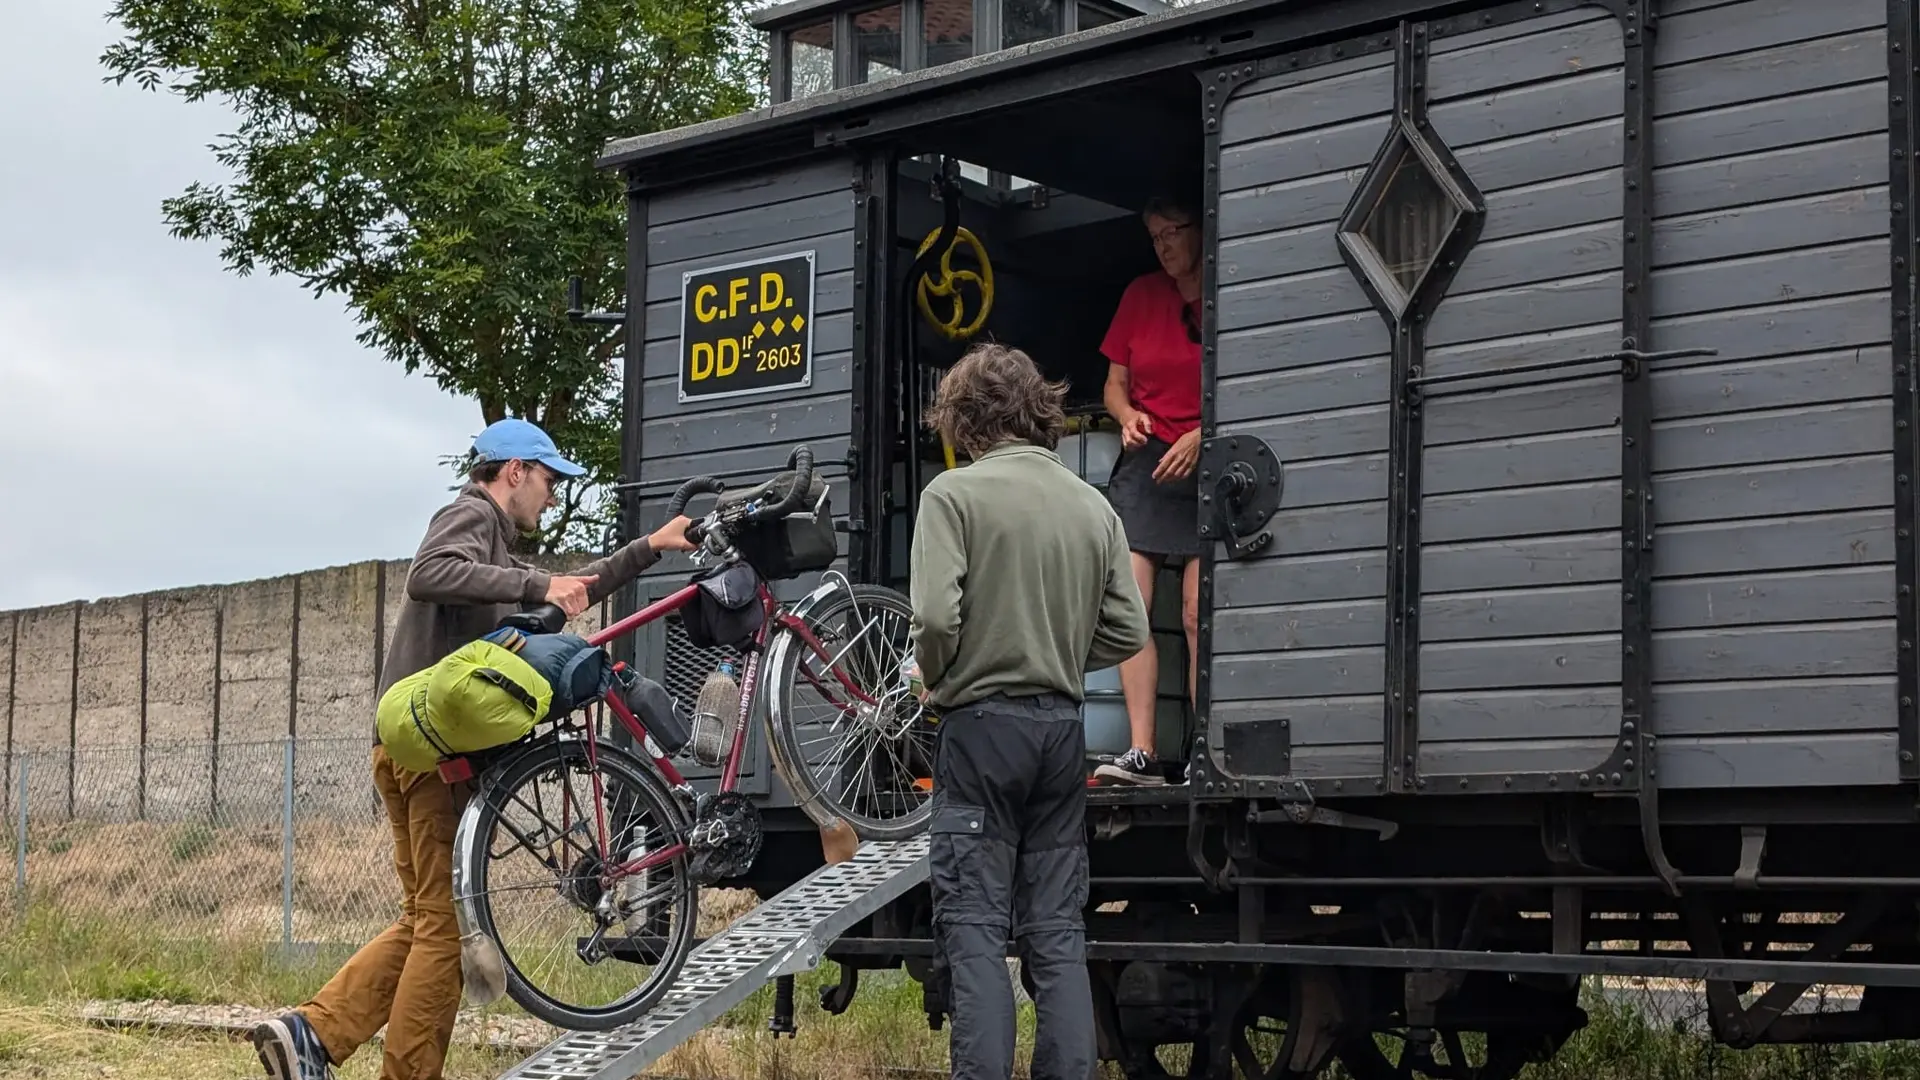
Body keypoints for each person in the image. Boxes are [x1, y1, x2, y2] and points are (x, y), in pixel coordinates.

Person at [250, 417, 695, 1080]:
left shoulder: (496, 552)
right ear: (514, 471)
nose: (552, 494)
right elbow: (431, 571)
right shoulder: (472, 515)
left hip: (406, 750)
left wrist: (651, 546)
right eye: (548, 479)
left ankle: (311, 1032)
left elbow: (572, 585)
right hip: (435, 760)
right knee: (447, 929)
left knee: (425, 917)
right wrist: (534, 587)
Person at [910, 342, 1152, 1080]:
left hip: (981, 732)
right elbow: (1129, 630)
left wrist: (939, 676)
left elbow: (937, 619)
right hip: (1060, 735)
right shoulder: (1092, 504)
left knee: (976, 929)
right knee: (1056, 930)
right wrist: (1054, 648)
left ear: (965, 418)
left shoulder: (952, 497)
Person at [1092, 194, 1204, 787]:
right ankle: (1142, 751)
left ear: (1200, 229)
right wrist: (1127, 415)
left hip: (1209, 458)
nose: (1163, 246)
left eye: (1172, 232)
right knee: (1130, 607)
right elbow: (1113, 384)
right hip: (1149, 460)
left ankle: (1206, 750)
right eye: (1155, 237)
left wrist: (1204, 436)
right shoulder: (1140, 294)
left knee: (1196, 613)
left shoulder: (1226, 288)